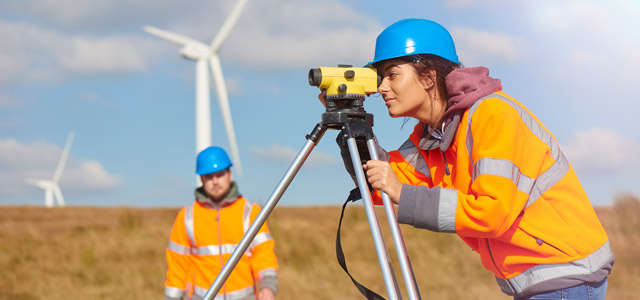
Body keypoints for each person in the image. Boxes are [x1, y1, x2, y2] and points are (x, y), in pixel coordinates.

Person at [321, 18, 614, 299]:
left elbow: (491, 213)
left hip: (563, 274)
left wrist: (404, 194)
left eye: (392, 74)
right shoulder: (435, 135)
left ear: (428, 77)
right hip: (535, 280)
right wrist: (354, 127)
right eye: (380, 77)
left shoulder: (492, 116)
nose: (382, 87)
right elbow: (382, 184)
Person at [164, 146, 278, 300]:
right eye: (209, 177)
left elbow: (263, 255)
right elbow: (177, 267)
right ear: (202, 179)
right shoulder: (187, 217)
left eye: (220, 175)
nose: (215, 181)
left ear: (230, 175)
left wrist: (268, 286)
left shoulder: (250, 212)